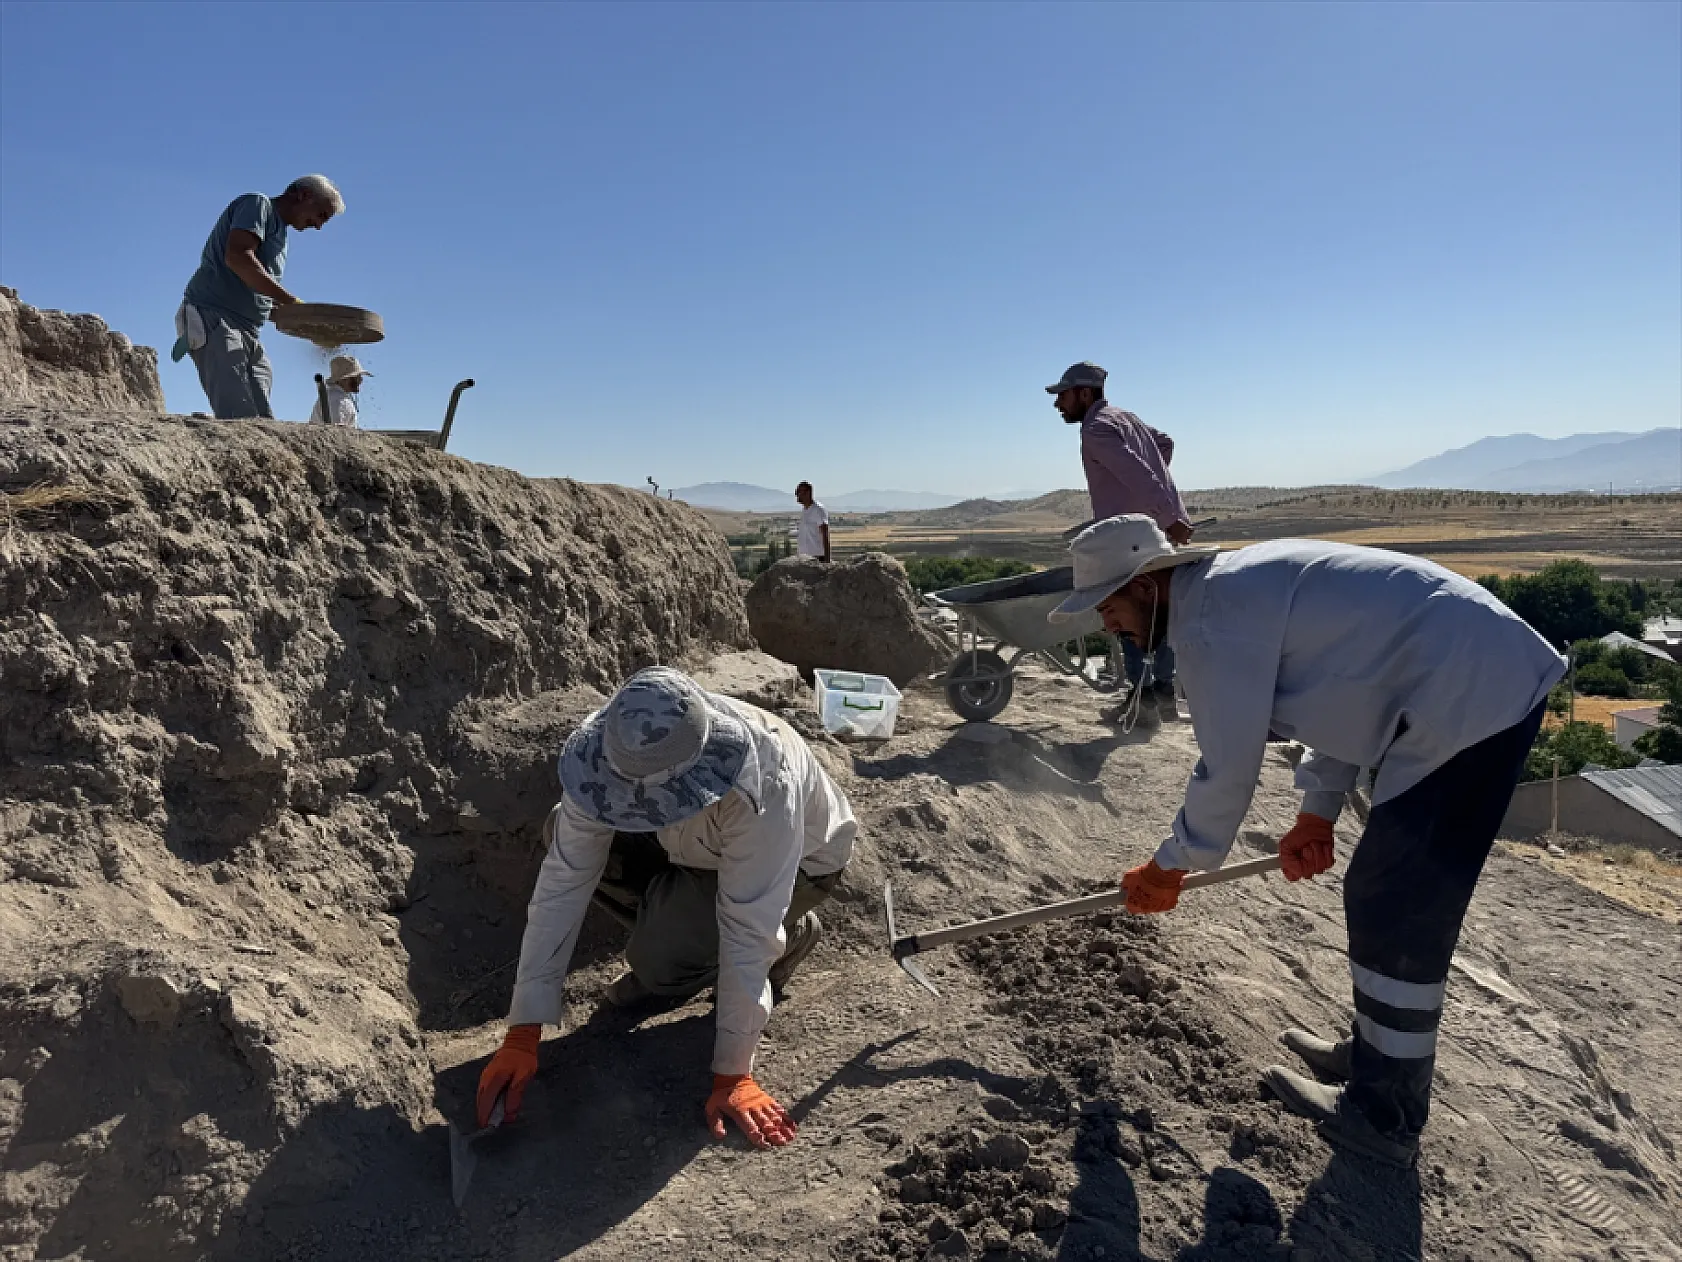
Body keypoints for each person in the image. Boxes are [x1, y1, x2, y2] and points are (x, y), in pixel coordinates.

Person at [1050, 515, 1565, 1168]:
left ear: (1147, 587)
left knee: (1396, 904)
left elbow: (1226, 768)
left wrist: (1171, 865)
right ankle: (1377, 1055)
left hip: (1473, 696)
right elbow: (1341, 694)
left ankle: (1384, 1116)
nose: (1106, 625)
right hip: (1465, 682)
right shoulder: (1228, 593)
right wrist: (1318, 812)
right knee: (1386, 895)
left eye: (1110, 605)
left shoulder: (1212, 621)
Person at [475, 667, 857, 1149]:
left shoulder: (761, 782)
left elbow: (747, 926)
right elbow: (563, 882)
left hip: (797, 863)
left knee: (662, 964)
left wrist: (732, 1076)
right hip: (689, 847)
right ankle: (683, 943)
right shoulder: (614, 744)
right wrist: (522, 1031)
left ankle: (788, 933)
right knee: (563, 834)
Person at [1047, 361, 1192, 723]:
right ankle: (1162, 695)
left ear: (1084, 393)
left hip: (1127, 537)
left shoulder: (1096, 428)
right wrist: (1164, 509)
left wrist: (1165, 514)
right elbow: (1164, 444)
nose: (1057, 405)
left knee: (1127, 610)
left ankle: (1142, 702)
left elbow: (1136, 473)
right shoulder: (1126, 418)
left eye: (1062, 396)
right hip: (1152, 533)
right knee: (1157, 608)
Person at [173, 175, 344, 420]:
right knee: (239, 414)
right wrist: (292, 302)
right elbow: (239, 258)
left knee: (262, 419)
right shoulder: (257, 205)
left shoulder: (281, 235)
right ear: (304, 195)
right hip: (215, 317)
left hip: (250, 330)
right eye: (321, 215)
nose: (318, 225)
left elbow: (263, 295)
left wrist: (311, 327)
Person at [309, 355, 372, 427]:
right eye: (357, 376)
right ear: (345, 379)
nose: (361, 380)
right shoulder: (338, 400)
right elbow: (337, 432)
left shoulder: (333, 396)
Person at [794, 481, 830, 562]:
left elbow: (825, 534)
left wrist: (827, 561)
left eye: (799, 492)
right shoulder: (805, 510)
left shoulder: (818, 510)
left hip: (816, 558)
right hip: (804, 557)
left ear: (808, 492)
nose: (797, 495)